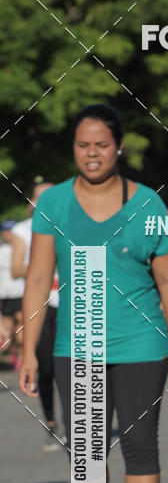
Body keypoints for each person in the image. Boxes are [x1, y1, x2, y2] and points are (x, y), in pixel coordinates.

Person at [19, 103, 168, 483]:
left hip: (142, 343)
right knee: (87, 457)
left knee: (140, 446)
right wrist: (29, 350)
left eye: (101, 144)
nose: (92, 153)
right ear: (73, 148)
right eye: (83, 145)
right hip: (79, 343)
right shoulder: (54, 204)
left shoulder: (148, 204)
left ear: (118, 147)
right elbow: (37, 280)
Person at [11, 180, 64, 450]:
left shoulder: (69, 224)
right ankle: (51, 421)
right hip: (40, 304)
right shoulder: (22, 230)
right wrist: (43, 265)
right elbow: (15, 270)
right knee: (45, 365)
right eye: (40, 197)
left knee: (70, 363)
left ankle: (75, 423)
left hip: (69, 302)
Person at [0, 220, 25, 370]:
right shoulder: (1, 251)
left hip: (20, 292)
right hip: (5, 294)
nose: (9, 234)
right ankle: (14, 350)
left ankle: (21, 355)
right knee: (9, 329)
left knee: (21, 323)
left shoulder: (23, 249)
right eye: (6, 231)